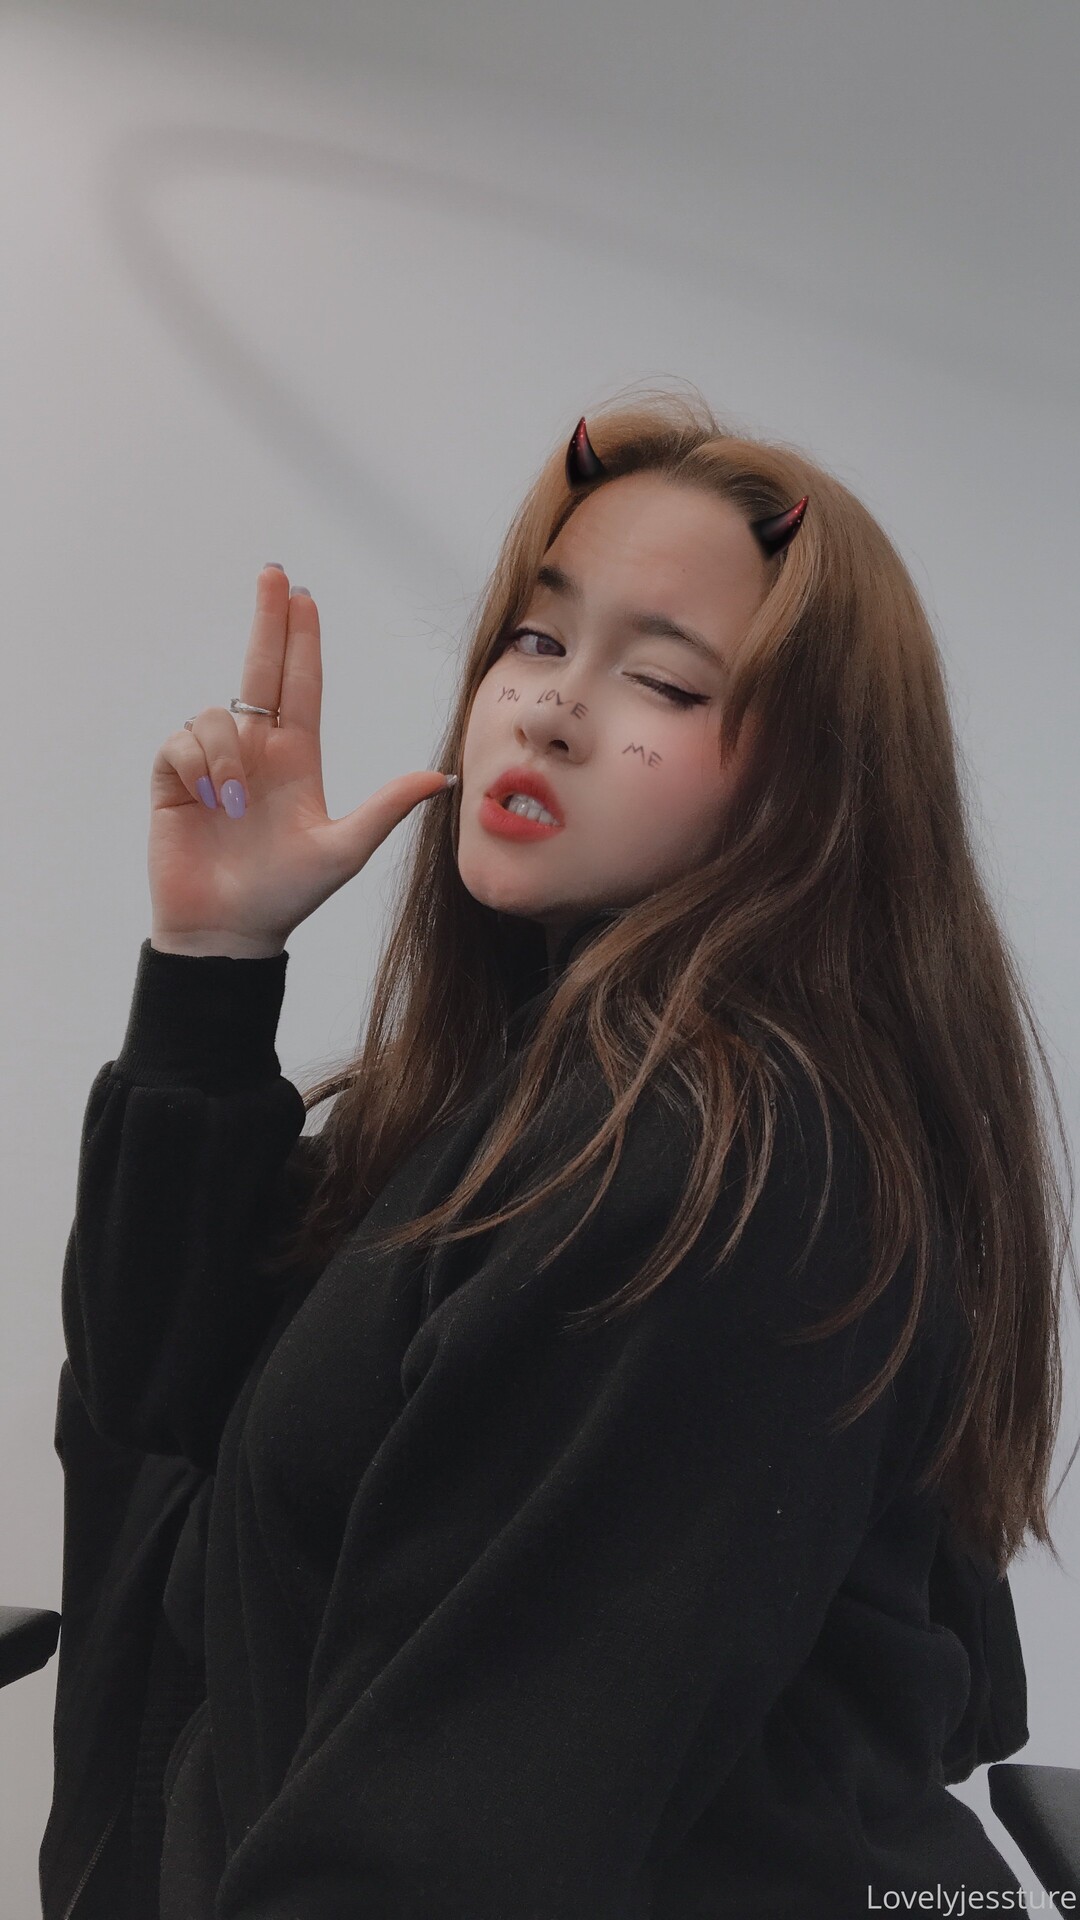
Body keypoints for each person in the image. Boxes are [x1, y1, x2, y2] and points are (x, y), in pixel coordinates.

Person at [41, 392, 1068, 1918]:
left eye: (663, 677)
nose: (552, 709)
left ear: (808, 785)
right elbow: (166, 1413)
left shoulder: (708, 1179)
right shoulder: (513, 1104)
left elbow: (452, 1847)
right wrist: (212, 962)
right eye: (537, 638)